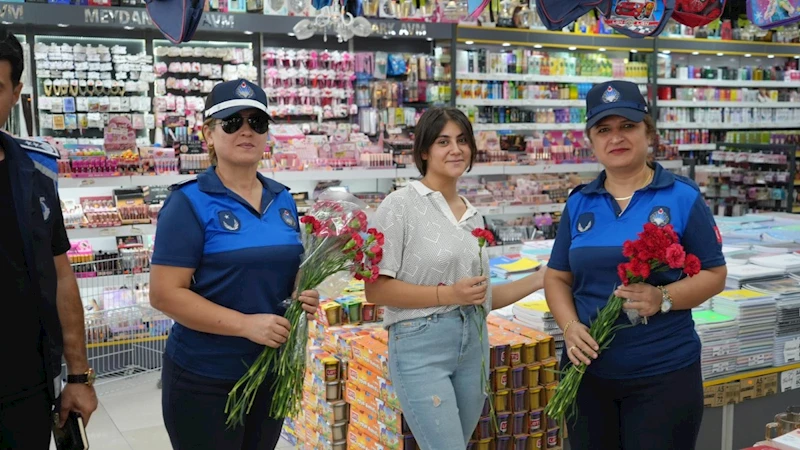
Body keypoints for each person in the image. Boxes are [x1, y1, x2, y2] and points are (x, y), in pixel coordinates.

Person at [544, 80, 727, 450]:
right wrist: (570, 326)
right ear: (592, 141)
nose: (616, 137)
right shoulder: (579, 202)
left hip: (663, 376)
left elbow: (715, 274)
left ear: (648, 133)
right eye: (604, 130)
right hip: (586, 376)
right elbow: (557, 277)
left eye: (627, 126)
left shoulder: (681, 196)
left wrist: (663, 296)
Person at [148, 79, 320, 450]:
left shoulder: (283, 199)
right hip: (204, 378)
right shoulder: (188, 203)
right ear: (208, 134)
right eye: (231, 122)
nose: (246, 131)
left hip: (271, 373)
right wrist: (245, 325)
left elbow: (284, 275)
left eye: (256, 123)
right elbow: (164, 295)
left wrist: (302, 295)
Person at [365, 107, 547, 450]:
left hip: (473, 344)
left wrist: (540, 279)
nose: (456, 149)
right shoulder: (399, 204)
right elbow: (375, 289)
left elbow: (480, 296)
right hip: (420, 346)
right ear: (424, 151)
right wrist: (449, 295)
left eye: (463, 140)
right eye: (443, 141)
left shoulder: (472, 212)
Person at [0, 30, 98, 450]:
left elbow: (61, 275)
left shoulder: (35, 175)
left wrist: (77, 376)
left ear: (15, 93)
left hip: (24, 389)